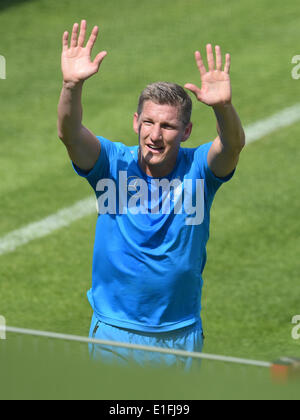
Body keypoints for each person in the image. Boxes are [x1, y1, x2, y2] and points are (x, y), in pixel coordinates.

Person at [57, 20, 245, 370]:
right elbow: (69, 133)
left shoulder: (199, 171)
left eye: (168, 126)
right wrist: (71, 86)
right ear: (135, 122)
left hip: (180, 336)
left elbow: (232, 145)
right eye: (148, 122)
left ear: (186, 131)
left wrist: (222, 107)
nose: (154, 135)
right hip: (115, 334)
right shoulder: (110, 165)